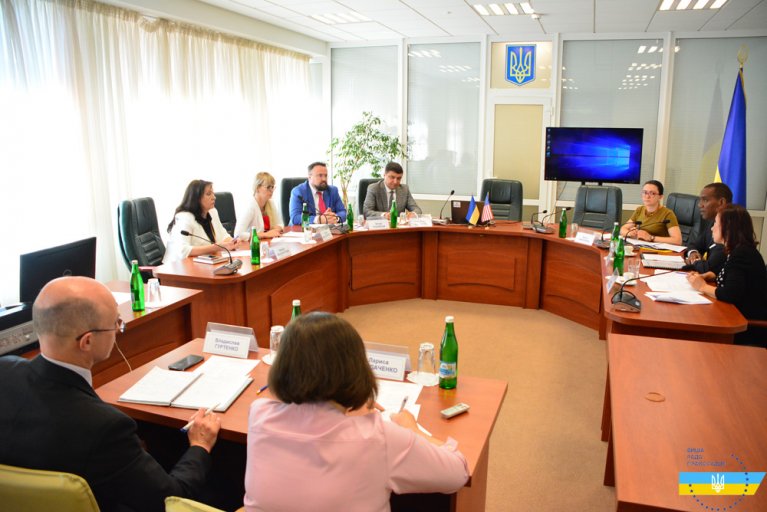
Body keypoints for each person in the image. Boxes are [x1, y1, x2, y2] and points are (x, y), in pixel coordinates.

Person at [0, 277, 221, 512]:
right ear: (87, 341)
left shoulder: (4, 371)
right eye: (115, 323)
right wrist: (200, 445)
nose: (118, 330)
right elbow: (171, 500)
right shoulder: (103, 427)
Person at [243, 312, 468, 512]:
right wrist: (412, 429)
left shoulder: (259, 415)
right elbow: (458, 473)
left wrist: (343, 409)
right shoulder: (379, 437)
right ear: (355, 369)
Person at [687, 205, 767, 346]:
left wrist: (702, 286)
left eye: (715, 224)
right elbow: (733, 278)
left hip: (745, 328)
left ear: (728, 229)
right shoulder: (738, 250)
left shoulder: (742, 254)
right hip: (734, 317)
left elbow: (730, 293)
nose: (712, 228)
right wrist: (711, 276)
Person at [164, 179, 237, 263]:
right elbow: (183, 250)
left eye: (213, 193)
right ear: (197, 198)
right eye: (209, 194)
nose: (214, 197)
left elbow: (223, 235)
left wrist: (233, 242)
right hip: (177, 267)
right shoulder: (185, 217)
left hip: (203, 264)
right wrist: (215, 247)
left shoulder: (212, 212)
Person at [683, 182, 732, 275]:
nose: (699, 205)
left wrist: (694, 262)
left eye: (705, 200)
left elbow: (709, 268)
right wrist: (693, 253)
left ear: (721, 202)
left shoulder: (730, 228)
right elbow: (693, 244)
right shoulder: (712, 223)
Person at [620, 180, 682, 245]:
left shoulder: (668, 214)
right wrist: (631, 233)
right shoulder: (639, 210)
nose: (647, 196)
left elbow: (678, 241)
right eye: (645, 192)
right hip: (639, 246)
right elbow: (623, 229)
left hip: (658, 249)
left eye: (652, 193)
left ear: (660, 197)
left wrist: (651, 237)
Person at [288, 162, 347, 226]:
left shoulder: (333, 191)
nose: (324, 179)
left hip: (328, 230)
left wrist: (334, 218)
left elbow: (342, 212)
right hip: (303, 230)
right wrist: (318, 219)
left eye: (326, 175)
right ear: (309, 177)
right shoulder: (298, 192)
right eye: (320, 175)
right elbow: (295, 218)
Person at [234, 172, 284, 240]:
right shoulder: (250, 206)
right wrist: (265, 234)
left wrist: (278, 228)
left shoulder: (270, 203)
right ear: (257, 188)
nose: (272, 190)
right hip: (252, 244)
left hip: (267, 242)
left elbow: (280, 224)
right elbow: (237, 234)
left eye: (272, 187)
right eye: (268, 187)